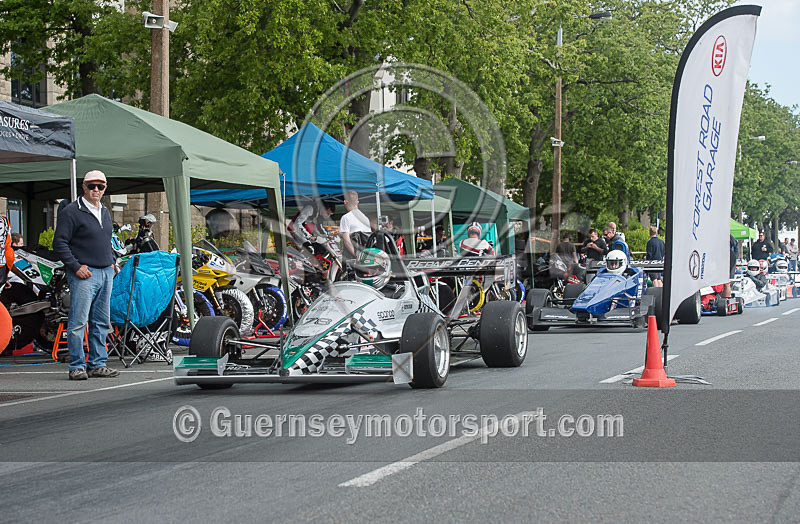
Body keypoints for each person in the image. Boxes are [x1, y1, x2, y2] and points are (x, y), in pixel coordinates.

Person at [52, 170, 119, 380]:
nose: (96, 190)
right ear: (84, 186)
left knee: (101, 322)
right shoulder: (72, 211)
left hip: (105, 271)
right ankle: (77, 366)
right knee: (78, 322)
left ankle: (97, 363)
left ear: (105, 188)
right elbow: (59, 243)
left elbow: (107, 240)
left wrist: (113, 262)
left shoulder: (105, 211)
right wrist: (75, 266)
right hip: (85, 273)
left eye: (101, 186)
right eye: (92, 186)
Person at [339, 190, 371, 260]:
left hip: (351, 257)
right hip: (365, 256)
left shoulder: (346, 217)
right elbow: (369, 239)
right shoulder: (365, 218)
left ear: (345, 202)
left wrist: (356, 256)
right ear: (357, 202)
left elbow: (346, 240)